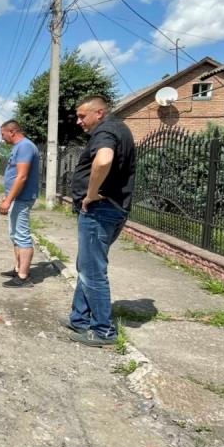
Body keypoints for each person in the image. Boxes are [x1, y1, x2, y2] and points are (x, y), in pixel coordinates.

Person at [65, 95, 136, 347]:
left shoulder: (105, 131)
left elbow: (104, 159)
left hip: (100, 210)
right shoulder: (119, 128)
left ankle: (103, 331)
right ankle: (79, 319)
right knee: (86, 266)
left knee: (93, 270)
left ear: (99, 113)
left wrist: (91, 194)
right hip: (111, 209)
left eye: (82, 116)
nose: (78, 121)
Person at [0, 120, 40, 287]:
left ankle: (23, 277)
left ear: (12, 131)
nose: (2, 138)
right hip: (17, 198)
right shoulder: (20, 147)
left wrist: (8, 200)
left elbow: (21, 176)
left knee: (22, 236)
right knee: (15, 235)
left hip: (22, 198)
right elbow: (14, 175)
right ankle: (18, 268)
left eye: (3, 134)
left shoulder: (25, 146)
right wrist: (7, 196)